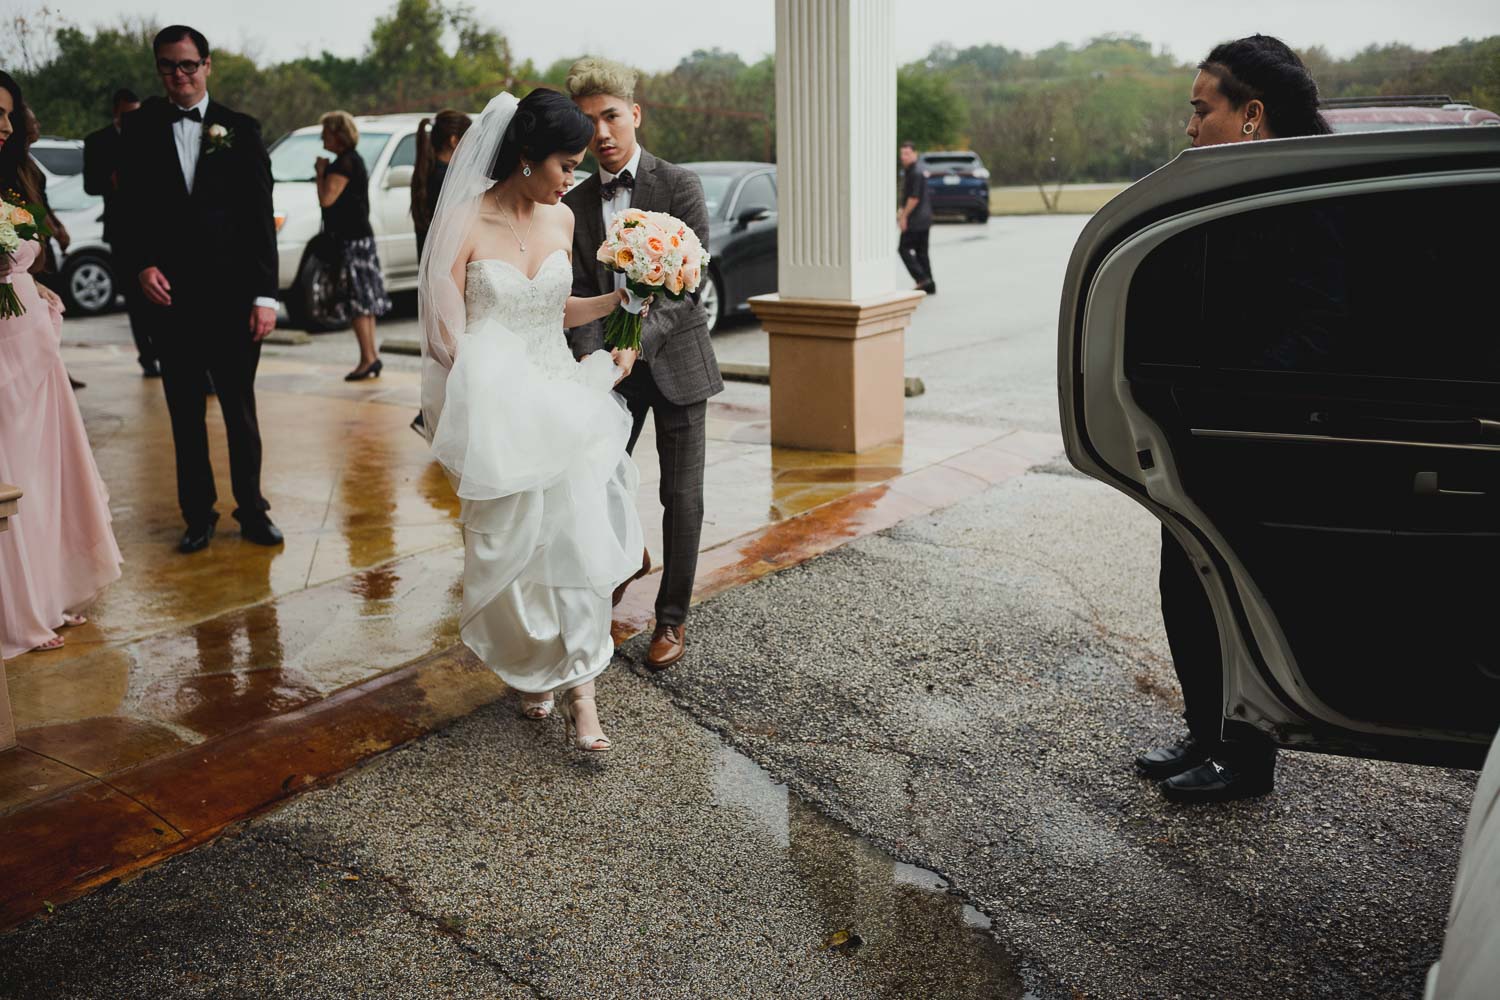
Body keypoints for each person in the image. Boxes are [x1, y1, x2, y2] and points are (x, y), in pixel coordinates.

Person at [1135, 34, 1333, 805]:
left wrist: (1243, 396)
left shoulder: (1306, 197)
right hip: (1199, 429)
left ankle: (1247, 757)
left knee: (1238, 593)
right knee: (1183, 581)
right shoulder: (1222, 189)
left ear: (1251, 114)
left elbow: (1324, 322)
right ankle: (1205, 728)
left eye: (1200, 109)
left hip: (1261, 436)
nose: (1189, 126)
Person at [419, 87, 644, 753]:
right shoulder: (463, 220)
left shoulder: (563, 222)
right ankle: (535, 668)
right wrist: (483, 386)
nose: (572, 178)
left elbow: (556, 308)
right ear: (527, 158)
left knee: (573, 542)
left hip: (561, 398)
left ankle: (584, 698)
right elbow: (443, 332)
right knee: (512, 552)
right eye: (565, 165)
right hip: (497, 413)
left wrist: (617, 301)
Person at [563, 57, 721, 671]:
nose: (600, 133)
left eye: (609, 116)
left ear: (635, 113)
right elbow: (575, 291)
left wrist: (637, 342)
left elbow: (686, 287)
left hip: (677, 363)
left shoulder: (678, 184)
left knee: (682, 497)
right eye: (587, 122)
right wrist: (596, 359)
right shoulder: (572, 203)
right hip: (610, 377)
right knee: (601, 488)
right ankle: (622, 565)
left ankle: (672, 620)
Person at [117, 24, 282, 554]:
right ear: (159, 69)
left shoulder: (242, 128)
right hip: (170, 302)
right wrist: (141, 266)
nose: (179, 75)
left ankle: (252, 510)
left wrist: (265, 295)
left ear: (207, 65)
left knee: (240, 411)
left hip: (234, 300)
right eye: (168, 66)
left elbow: (259, 218)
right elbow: (129, 213)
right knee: (184, 413)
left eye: (188, 65)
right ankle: (197, 514)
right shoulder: (139, 129)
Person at [0, 70, 123, 657]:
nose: (4, 126)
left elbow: (25, 254)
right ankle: (16, 609)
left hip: (31, 342)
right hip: (2, 353)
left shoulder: (12, 181)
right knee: (11, 470)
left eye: (8, 114)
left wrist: (34, 284)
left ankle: (46, 594)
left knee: (44, 472)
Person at [84, 88, 158, 377]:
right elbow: (90, 185)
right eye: (128, 115)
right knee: (135, 299)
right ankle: (147, 356)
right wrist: (110, 181)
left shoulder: (149, 136)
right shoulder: (97, 141)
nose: (133, 120)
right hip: (121, 232)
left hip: (153, 228)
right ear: (117, 111)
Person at [315, 110, 391, 382]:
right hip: (361, 236)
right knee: (365, 299)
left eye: (325, 132)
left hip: (350, 240)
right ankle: (370, 356)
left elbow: (327, 199)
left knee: (358, 300)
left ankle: (367, 358)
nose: (322, 137)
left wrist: (320, 173)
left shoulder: (342, 164)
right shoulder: (353, 160)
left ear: (337, 135)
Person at [408, 108, 471, 435]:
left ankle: (430, 417)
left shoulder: (426, 172)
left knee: (439, 350)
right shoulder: (450, 178)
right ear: (454, 140)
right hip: (447, 273)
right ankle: (436, 420)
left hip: (429, 270)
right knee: (451, 350)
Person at [897, 141, 935, 294]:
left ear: (914, 154)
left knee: (903, 249)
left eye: (907, 153)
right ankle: (929, 284)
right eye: (902, 154)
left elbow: (914, 198)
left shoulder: (915, 172)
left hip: (916, 219)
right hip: (924, 219)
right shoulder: (911, 171)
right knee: (921, 252)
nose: (904, 157)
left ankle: (921, 278)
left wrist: (903, 217)